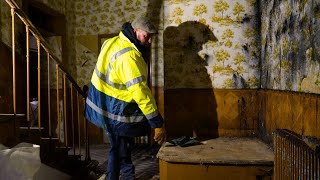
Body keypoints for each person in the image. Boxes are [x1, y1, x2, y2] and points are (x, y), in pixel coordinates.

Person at [84, 16, 166, 180]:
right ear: (135, 31)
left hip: (103, 105)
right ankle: (123, 177)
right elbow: (140, 92)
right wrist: (157, 123)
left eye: (151, 36)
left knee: (120, 146)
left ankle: (116, 176)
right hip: (116, 110)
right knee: (120, 147)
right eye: (146, 35)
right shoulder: (129, 56)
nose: (149, 40)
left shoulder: (111, 42)